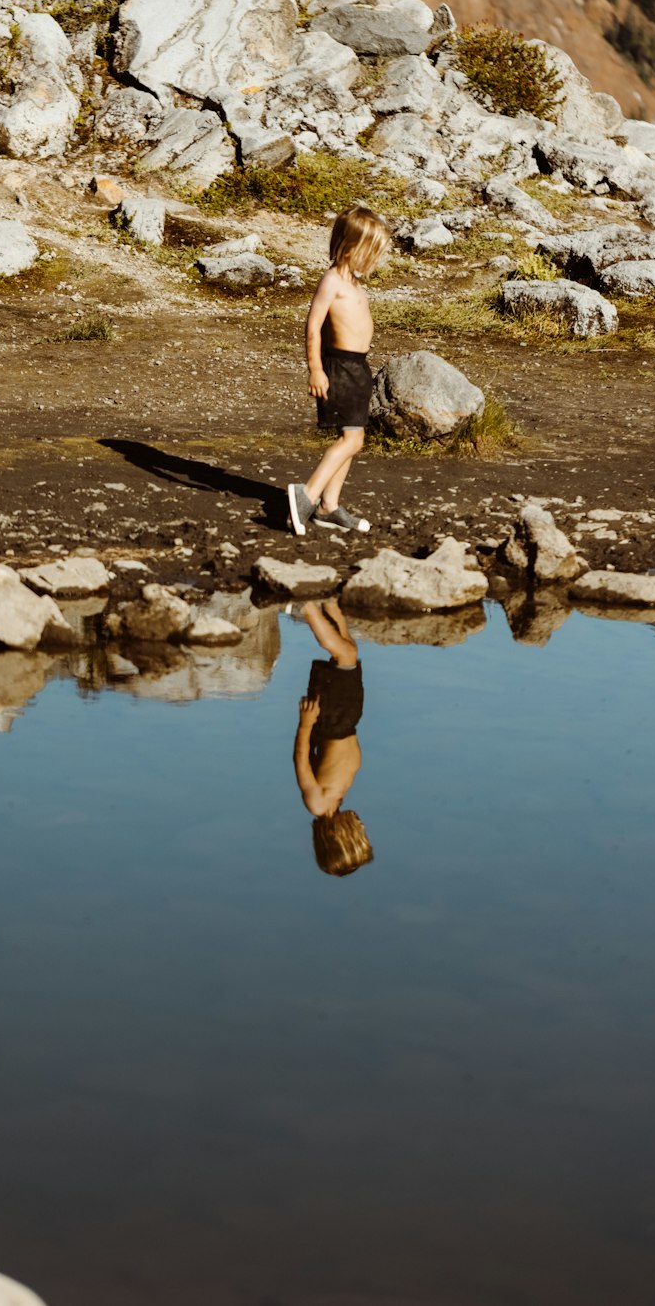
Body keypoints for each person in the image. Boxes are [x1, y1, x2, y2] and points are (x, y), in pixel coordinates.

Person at [287, 204, 392, 537]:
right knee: (350, 439)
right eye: (370, 254)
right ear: (349, 248)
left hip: (358, 368)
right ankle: (306, 495)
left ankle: (328, 507)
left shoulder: (354, 284)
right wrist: (315, 369)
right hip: (340, 367)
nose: (374, 262)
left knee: (354, 437)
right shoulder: (332, 281)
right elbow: (313, 327)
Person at [292, 598, 373, 877]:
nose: (363, 826)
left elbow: (301, 760)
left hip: (331, 722)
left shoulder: (317, 804)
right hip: (347, 721)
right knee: (349, 652)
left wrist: (305, 725)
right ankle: (331, 607)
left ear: (338, 837)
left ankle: (306, 607)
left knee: (345, 657)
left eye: (358, 834)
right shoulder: (335, 801)